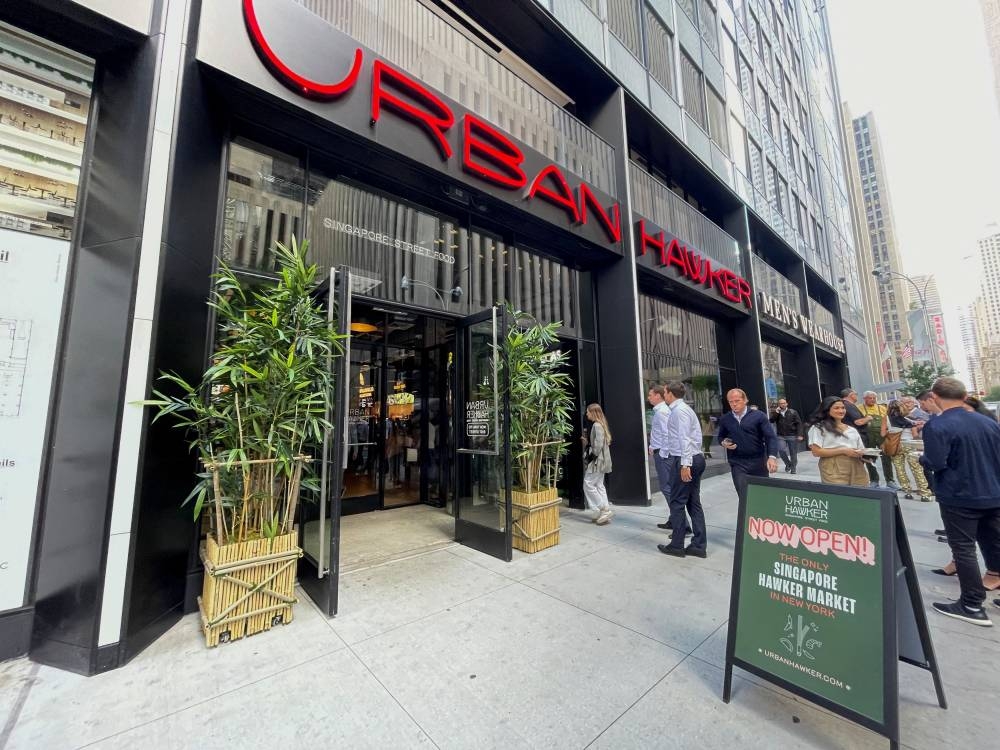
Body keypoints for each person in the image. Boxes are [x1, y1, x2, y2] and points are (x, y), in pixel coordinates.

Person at [922, 377, 1000, 626]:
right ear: (965, 395)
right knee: (994, 542)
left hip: (959, 495)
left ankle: (971, 603)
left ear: (934, 397)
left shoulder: (937, 425)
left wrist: (922, 459)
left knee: (963, 548)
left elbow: (935, 462)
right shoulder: (988, 422)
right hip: (993, 491)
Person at [657, 382, 708, 558]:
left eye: (664, 392)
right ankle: (699, 546)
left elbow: (684, 439)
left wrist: (685, 464)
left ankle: (677, 545)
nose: (663, 395)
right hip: (694, 458)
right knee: (693, 502)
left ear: (670, 394)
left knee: (677, 502)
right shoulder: (683, 410)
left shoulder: (679, 412)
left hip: (687, 459)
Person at [717, 388, 780, 505]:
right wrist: (723, 443)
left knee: (762, 495)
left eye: (737, 400)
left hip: (758, 461)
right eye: (731, 402)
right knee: (744, 496)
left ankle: (762, 520)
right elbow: (721, 437)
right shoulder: (726, 419)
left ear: (745, 400)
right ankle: (748, 521)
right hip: (738, 463)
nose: (734, 404)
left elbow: (770, 437)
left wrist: (772, 457)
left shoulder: (759, 416)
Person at [806, 396, 869, 486]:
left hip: (856, 465)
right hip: (833, 466)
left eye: (843, 408)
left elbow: (861, 449)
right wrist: (843, 450)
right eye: (836, 408)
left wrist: (866, 455)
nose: (841, 411)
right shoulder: (819, 428)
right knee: (839, 496)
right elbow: (816, 452)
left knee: (860, 495)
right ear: (827, 410)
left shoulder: (852, 429)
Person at [881, 398, 932, 502]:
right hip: (909, 444)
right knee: (917, 469)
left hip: (896, 446)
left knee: (900, 469)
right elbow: (915, 434)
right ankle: (925, 493)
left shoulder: (886, 418)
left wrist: (890, 432)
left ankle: (907, 491)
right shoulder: (909, 419)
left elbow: (882, 434)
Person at [581, 403, 614, 524]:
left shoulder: (596, 425)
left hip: (597, 461)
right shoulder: (601, 424)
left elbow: (598, 446)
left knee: (588, 484)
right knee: (599, 485)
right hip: (601, 460)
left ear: (593, 413)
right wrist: (588, 442)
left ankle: (602, 509)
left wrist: (590, 456)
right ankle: (604, 510)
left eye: (588, 412)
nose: (587, 414)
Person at [858, 391, 897, 489]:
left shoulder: (882, 408)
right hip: (868, 436)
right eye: (870, 398)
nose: (872, 400)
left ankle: (890, 480)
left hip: (882, 435)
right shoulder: (859, 408)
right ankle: (874, 480)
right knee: (869, 457)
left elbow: (888, 422)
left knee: (886, 457)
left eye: (874, 398)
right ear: (865, 399)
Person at [769, 398, 803, 474]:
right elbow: (771, 420)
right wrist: (776, 413)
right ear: (779, 405)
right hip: (781, 435)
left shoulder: (793, 412)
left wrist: (800, 434)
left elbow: (799, 423)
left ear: (787, 404)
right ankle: (788, 464)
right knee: (781, 450)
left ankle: (793, 468)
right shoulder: (777, 412)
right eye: (781, 403)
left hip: (792, 435)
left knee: (793, 452)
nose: (783, 404)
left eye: (784, 403)